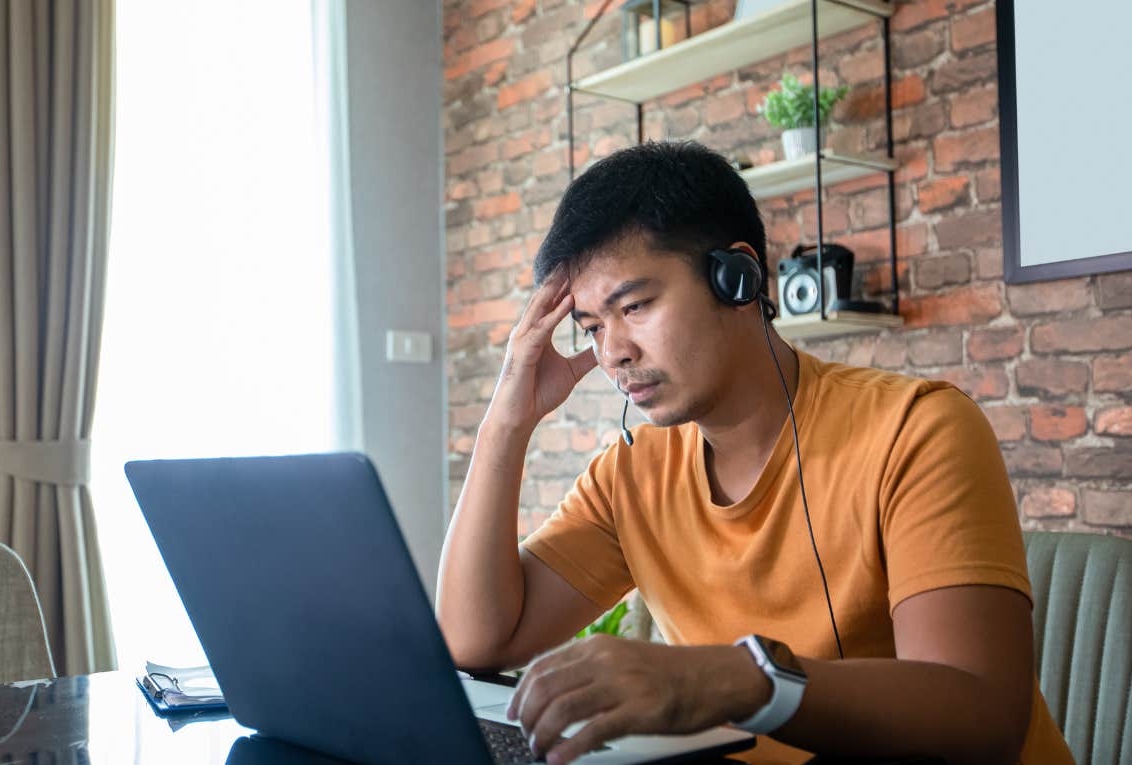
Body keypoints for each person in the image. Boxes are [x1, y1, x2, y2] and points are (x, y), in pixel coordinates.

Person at [435, 141, 1073, 765]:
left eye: (634, 306)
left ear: (735, 279)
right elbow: (474, 640)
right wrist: (507, 420)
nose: (612, 352)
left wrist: (738, 679)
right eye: (595, 327)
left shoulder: (916, 430)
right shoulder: (629, 477)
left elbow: (981, 717)